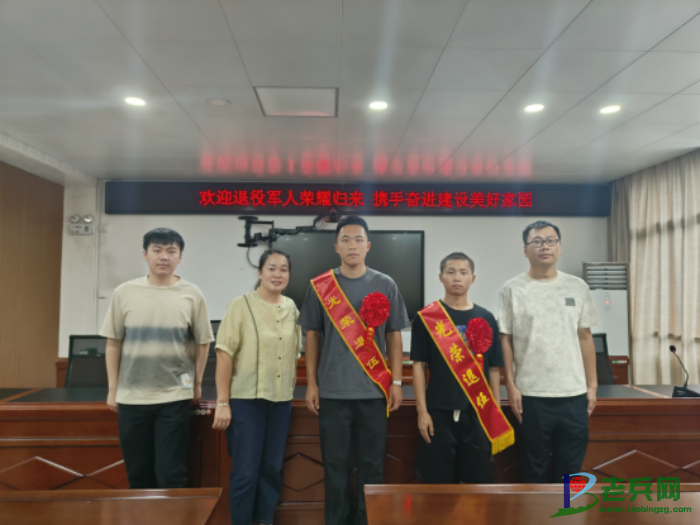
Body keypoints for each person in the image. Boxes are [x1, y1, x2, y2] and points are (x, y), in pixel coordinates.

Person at [298, 216, 409, 525]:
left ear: (368, 245)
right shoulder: (321, 286)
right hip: (333, 392)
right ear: (336, 247)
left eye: (358, 239)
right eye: (345, 240)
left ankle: (367, 520)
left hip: (374, 392)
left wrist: (396, 382)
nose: (352, 245)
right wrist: (311, 384)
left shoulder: (386, 284)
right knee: (334, 466)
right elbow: (312, 336)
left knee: (372, 466)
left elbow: (394, 335)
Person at [101, 228, 214, 489]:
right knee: (138, 475)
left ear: (180, 257)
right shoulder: (125, 292)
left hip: (174, 397)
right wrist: (113, 389)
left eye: (171, 251)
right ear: (145, 254)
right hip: (131, 397)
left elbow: (203, 341)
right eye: (157, 250)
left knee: (170, 475)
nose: (164, 256)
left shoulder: (192, 293)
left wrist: (196, 383)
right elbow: (113, 343)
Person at [499, 220, 600, 483]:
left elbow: (585, 337)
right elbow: (505, 339)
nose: (545, 246)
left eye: (550, 240)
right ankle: (536, 510)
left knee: (570, 469)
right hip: (531, 394)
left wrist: (592, 385)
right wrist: (511, 385)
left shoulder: (577, 287)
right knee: (533, 468)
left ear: (559, 247)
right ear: (525, 250)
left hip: (573, 394)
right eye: (537, 241)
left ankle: (565, 509)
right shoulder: (512, 289)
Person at [212, 249, 301, 525]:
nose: (277, 274)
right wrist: (223, 402)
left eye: (283, 269)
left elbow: (296, 353)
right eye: (271, 268)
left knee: (271, 469)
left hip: (281, 401)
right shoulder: (240, 305)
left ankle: (264, 521)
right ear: (260, 272)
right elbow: (224, 353)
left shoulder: (292, 308)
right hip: (245, 401)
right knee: (246, 472)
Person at [411, 252, 508, 484]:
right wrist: (422, 412)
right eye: (451, 272)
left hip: (478, 411)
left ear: (472, 279)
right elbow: (418, 366)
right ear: (441, 277)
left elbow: (494, 369)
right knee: (438, 481)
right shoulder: (427, 317)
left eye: (463, 272)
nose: (457, 277)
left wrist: (493, 413)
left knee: (478, 481)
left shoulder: (486, 318)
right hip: (439, 411)